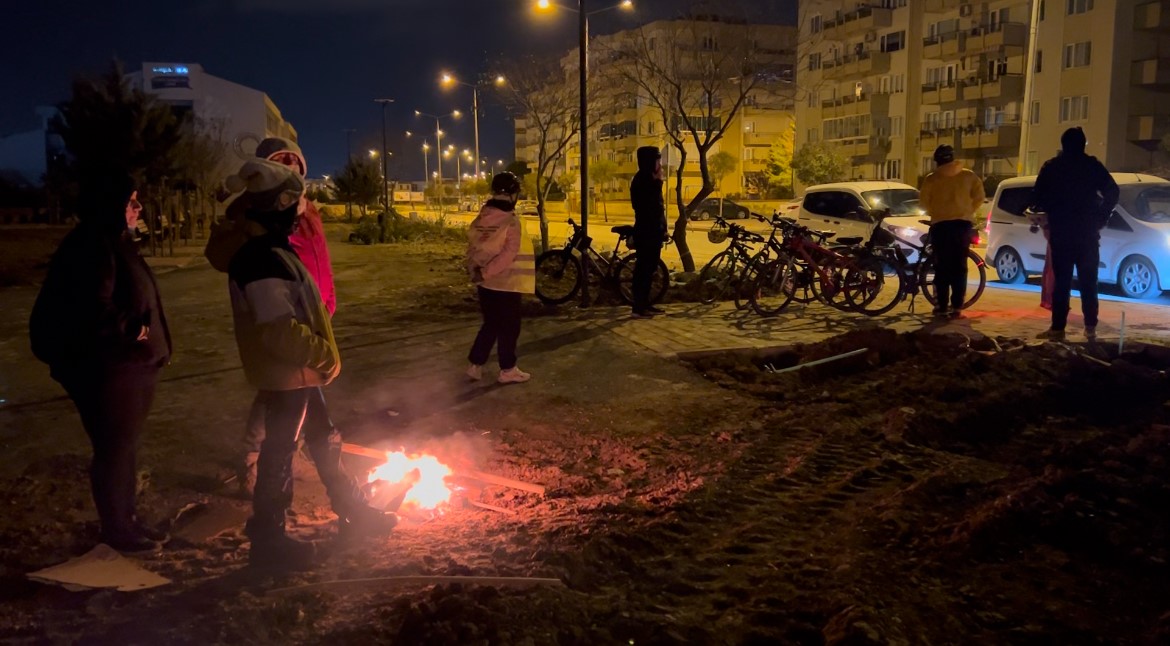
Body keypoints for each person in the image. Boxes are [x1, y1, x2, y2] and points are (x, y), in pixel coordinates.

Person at [223, 159, 394, 570]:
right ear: (280, 204)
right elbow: (278, 330)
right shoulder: (262, 259)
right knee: (279, 452)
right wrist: (325, 356)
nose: (301, 211)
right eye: (296, 203)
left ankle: (353, 508)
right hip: (287, 374)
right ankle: (268, 541)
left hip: (297, 373)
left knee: (325, 438)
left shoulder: (272, 251)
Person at [29, 173, 172, 553]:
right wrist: (136, 333)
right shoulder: (92, 246)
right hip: (109, 368)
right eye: (131, 201)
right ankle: (117, 529)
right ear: (109, 205)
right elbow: (91, 308)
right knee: (114, 447)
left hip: (131, 366)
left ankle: (127, 520)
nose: (138, 208)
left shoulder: (113, 241)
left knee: (124, 445)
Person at [206, 137, 336, 496]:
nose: (291, 169)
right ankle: (257, 464)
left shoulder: (306, 212)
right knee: (278, 395)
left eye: (295, 163)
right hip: (284, 319)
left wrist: (327, 301)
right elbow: (232, 259)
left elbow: (318, 260)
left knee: (300, 396)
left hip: (311, 314)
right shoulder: (262, 217)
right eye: (281, 163)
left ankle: (288, 462)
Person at [1033, 126, 1119, 341]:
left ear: (1063, 145)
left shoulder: (1052, 167)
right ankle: (1090, 328)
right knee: (1089, 281)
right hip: (1087, 232)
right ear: (1083, 144)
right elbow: (1113, 191)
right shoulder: (1092, 166)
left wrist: (1043, 209)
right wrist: (1102, 216)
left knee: (1062, 281)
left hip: (1061, 231)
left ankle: (1058, 329)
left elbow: (1037, 195)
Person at [465, 172, 536, 384]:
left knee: (491, 324)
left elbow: (472, 248)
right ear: (514, 194)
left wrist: (475, 272)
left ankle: (475, 364)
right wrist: (486, 273)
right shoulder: (510, 222)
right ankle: (508, 370)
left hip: (485, 284)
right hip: (507, 284)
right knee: (510, 327)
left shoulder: (481, 219)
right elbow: (508, 255)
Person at [919, 144, 985, 318]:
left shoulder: (932, 179)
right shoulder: (968, 176)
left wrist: (935, 212)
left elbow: (924, 202)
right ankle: (957, 306)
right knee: (960, 267)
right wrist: (968, 210)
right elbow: (980, 197)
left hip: (941, 226)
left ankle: (941, 306)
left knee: (941, 267)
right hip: (962, 226)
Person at [629, 146, 669, 318]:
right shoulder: (643, 180)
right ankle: (638, 307)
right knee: (644, 269)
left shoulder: (650, 179)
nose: (659, 164)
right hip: (647, 232)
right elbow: (650, 208)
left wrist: (663, 229)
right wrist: (658, 183)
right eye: (657, 160)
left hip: (653, 231)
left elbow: (659, 209)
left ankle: (645, 303)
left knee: (650, 268)